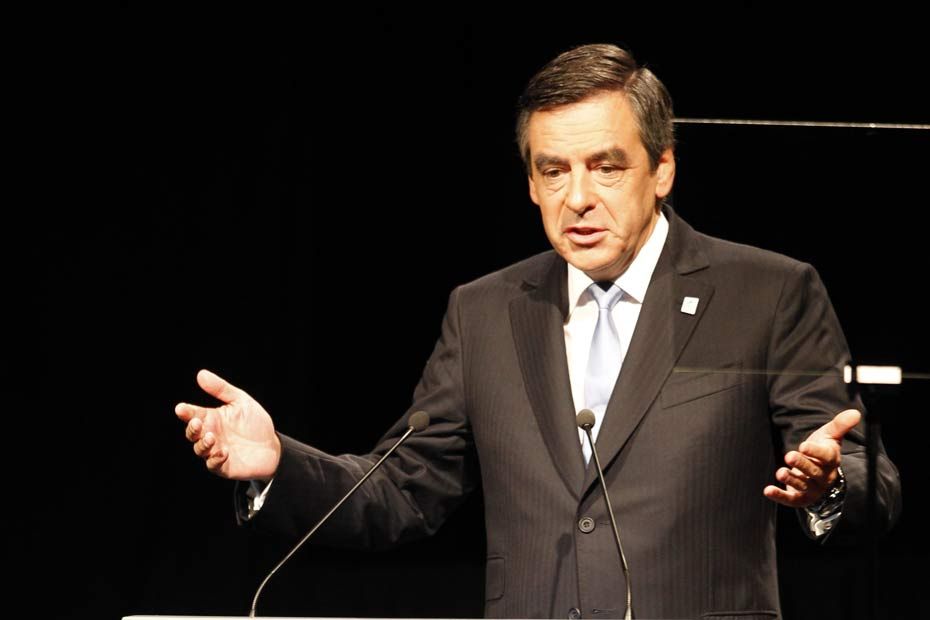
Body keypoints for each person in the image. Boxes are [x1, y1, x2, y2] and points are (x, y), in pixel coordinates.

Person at [176, 43, 901, 619]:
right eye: (553, 171)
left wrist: (830, 483)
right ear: (529, 183)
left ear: (663, 169)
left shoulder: (767, 293)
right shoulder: (485, 311)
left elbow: (868, 474)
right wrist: (280, 463)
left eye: (605, 167)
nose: (577, 197)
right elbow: (404, 487)